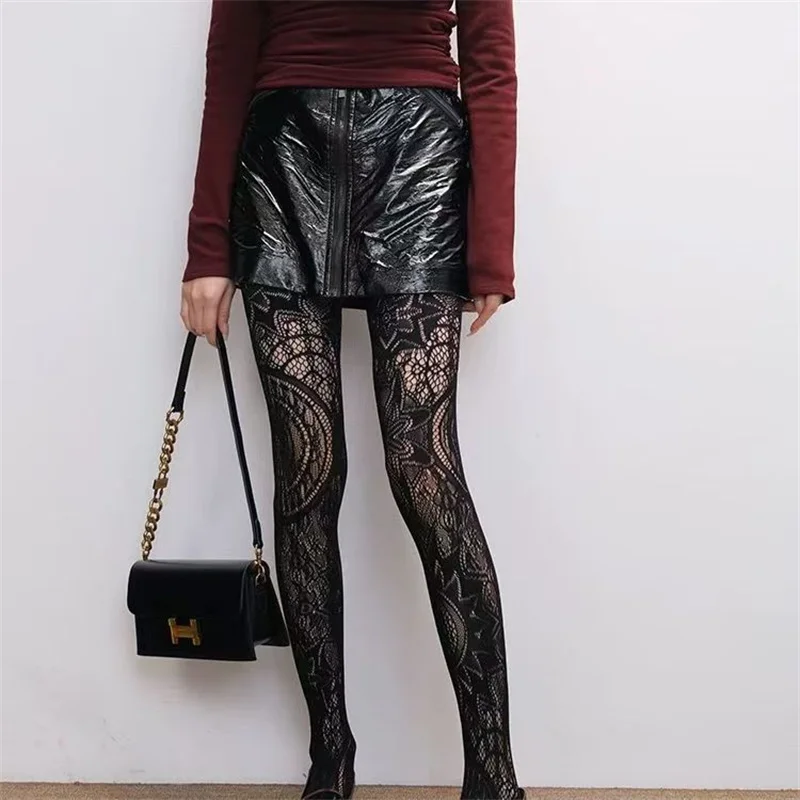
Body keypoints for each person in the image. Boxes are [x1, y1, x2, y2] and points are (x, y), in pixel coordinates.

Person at [180, 2, 522, 798]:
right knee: (309, 472)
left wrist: (491, 246)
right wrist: (208, 246)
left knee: (424, 472)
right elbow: (228, 61)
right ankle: (330, 757)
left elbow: (491, 64)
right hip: (281, 163)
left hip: (418, 163)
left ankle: (494, 773)